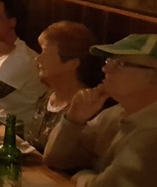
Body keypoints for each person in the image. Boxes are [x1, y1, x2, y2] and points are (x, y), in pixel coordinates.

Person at [44, 34, 157, 187]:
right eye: (109, 61)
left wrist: (81, 175)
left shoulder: (152, 133)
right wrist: (74, 119)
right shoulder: (116, 113)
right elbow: (55, 158)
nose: (105, 68)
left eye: (120, 64)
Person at [25, 21, 103, 152]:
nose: (38, 60)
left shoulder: (87, 105)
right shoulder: (48, 96)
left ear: (72, 64)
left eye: (46, 54)